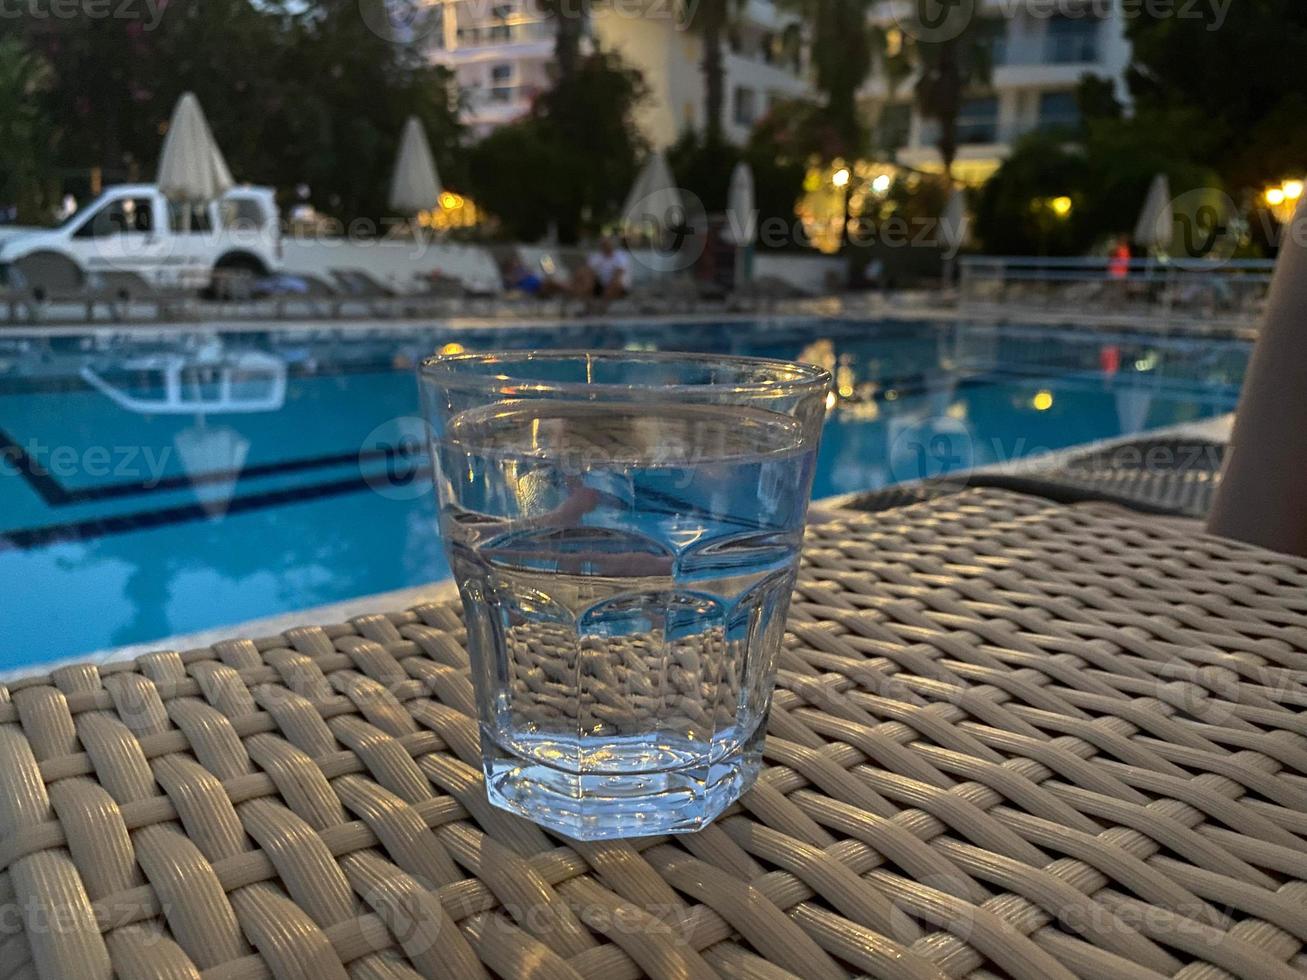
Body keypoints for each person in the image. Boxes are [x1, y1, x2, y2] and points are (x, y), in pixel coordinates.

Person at [572, 235, 632, 306]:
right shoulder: (597, 256)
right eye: (603, 244)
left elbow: (619, 273)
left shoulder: (620, 255)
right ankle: (584, 301)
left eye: (607, 243)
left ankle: (602, 305)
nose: (605, 246)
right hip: (600, 285)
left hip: (617, 285)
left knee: (616, 282)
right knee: (585, 274)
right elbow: (587, 270)